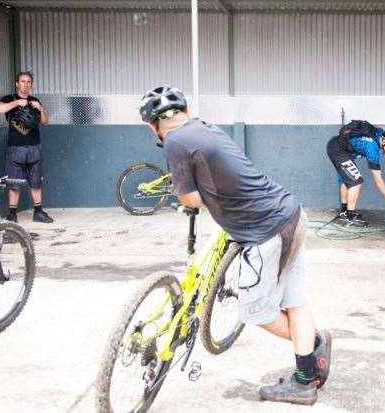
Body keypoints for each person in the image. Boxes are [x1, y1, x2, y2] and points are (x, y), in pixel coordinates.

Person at [139, 85, 332, 405]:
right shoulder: (204, 128)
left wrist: (187, 193)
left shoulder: (173, 142)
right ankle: (308, 364)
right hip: (291, 214)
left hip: (265, 232)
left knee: (256, 311)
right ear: (184, 112)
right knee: (295, 301)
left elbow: (191, 199)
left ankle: (310, 355)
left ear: (152, 125)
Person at [0, 71, 53, 224]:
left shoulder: (35, 100)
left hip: (34, 147)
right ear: (17, 83)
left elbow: (45, 122)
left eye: (28, 82)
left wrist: (40, 108)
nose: (25, 85)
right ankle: (12, 214)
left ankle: (38, 212)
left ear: (31, 85)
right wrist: (16, 103)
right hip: (15, 147)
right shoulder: (9, 99)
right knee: (14, 182)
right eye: (22, 81)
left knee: (36, 181)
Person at [326, 120, 385, 226]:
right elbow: (378, 178)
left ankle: (344, 211)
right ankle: (350, 217)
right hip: (338, 150)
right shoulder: (372, 149)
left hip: (338, 146)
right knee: (356, 181)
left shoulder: (378, 133)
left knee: (346, 179)